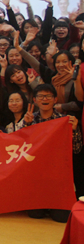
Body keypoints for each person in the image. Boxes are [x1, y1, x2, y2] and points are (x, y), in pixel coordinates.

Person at [25, 84, 82, 223]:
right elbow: (20, 147)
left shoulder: (65, 120)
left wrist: (74, 130)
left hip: (58, 177)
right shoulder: (30, 119)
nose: (45, 99)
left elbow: (76, 149)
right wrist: (26, 126)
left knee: (61, 218)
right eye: (40, 96)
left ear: (55, 99)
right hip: (37, 177)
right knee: (35, 214)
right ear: (35, 100)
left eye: (48, 96)